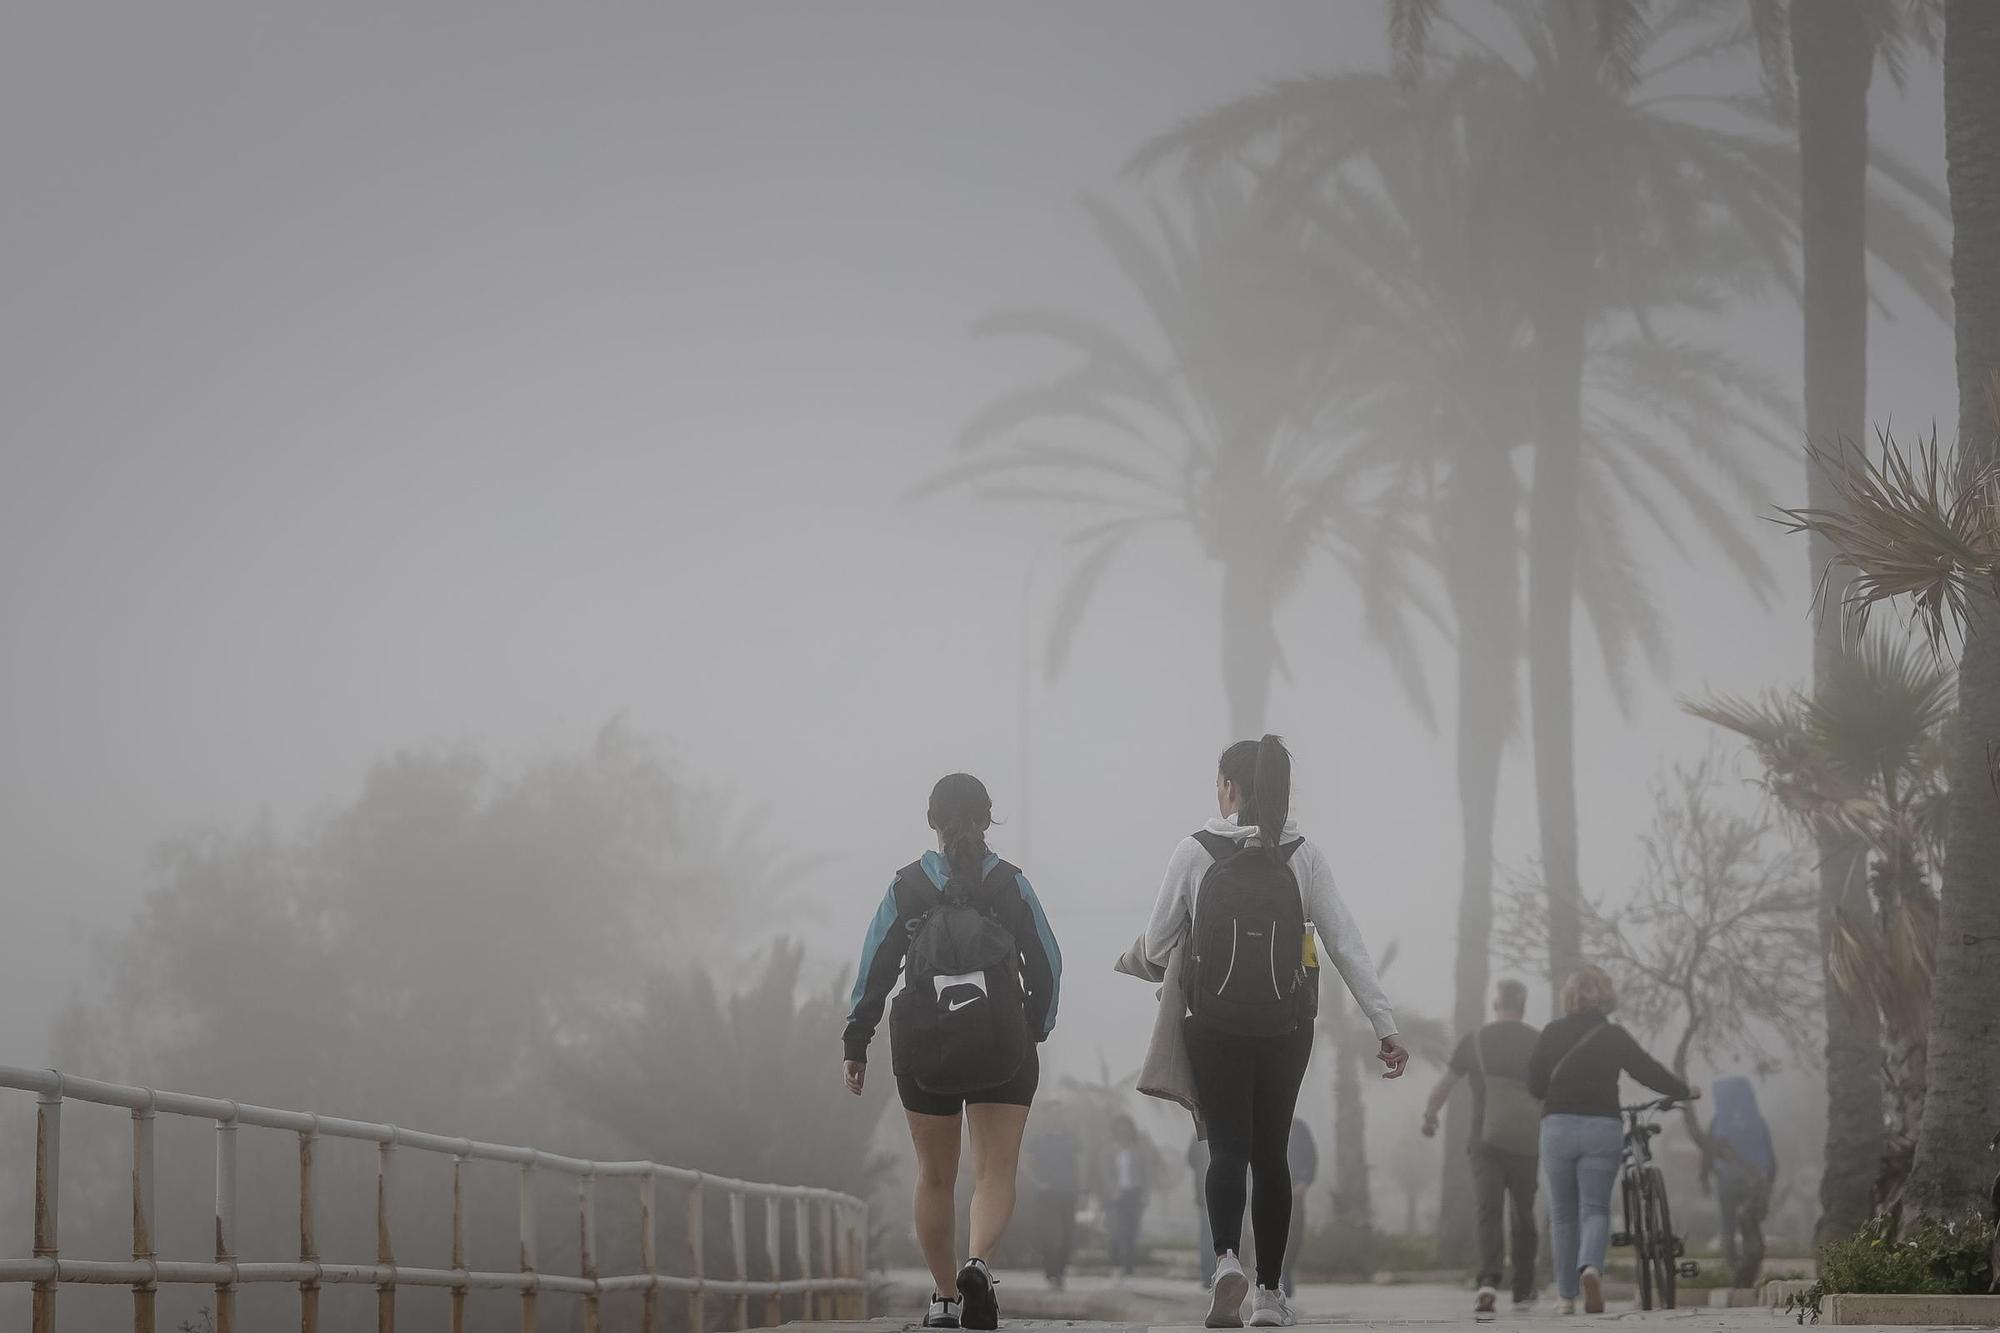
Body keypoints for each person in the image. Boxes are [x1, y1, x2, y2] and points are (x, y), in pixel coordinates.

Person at [1142, 735, 1408, 1330]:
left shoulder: (1194, 850)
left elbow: (1157, 943)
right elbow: (1343, 940)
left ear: (1231, 789)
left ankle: (1226, 1262)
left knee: (1227, 1147)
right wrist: (1383, 1025)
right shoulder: (1303, 855)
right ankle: (1267, 1295)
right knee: (1271, 1153)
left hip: (1212, 1025)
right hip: (1286, 1027)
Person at [843, 773, 1064, 1330]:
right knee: (994, 1171)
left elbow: (876, 966)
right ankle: (978, 1264)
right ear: (988, 820)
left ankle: (943, 1298)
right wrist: (1034, 1025)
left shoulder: (907, 886)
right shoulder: (1011, 885)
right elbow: (1048, 964)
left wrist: (857, 1040)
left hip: (924, 1048)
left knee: (934, 1176)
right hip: (1000, 1045)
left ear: (932, 822)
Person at [1527, 965, 1697, 1316]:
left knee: (1562, 1214)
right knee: (1595, 1209)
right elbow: (1646, 1070)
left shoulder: (1551, 1032)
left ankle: (1566, 1297)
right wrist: (1683, 1090)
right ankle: (1591, 1267)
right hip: (1600, 1127)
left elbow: (1534, 1085)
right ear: (1605, 997)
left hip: (1557, 1127)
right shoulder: (1613, 1035)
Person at [1420, 978, 1542, 1313]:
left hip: (1484, 1140)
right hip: (1526, 1141)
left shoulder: (1474, 1041)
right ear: (1523, 1005)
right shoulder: (1539, 1041)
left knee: (1488, 1210)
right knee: (1523, 1211)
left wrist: (1430, 1117)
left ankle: (1488, 1280)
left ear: (1495, 1005)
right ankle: (1523, 1288)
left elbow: (1443, 1087)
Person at [1702, 1077, 1775, 1287]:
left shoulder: (1719, 1121)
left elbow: (1708, 1151)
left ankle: (1733, 1268)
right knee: (1750, 1224)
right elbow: (1769, 1154)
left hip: (1726, 1181)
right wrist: (1769, 1181)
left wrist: (1705, 1177)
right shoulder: (1756, 1120)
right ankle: (1749, 1267)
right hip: (1754, 1182)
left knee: (1728, 1226)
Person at [1025, 1102, 1081, 1290]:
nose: (1056, 1117)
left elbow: (1079, 1163)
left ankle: (1060, 1272)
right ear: (1046, 1116)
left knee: (1067, 1234)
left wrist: (1080, 1185)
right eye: (1052, 1114)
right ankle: (1050, 1272)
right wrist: (1038, 1183)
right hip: (1046, 1194)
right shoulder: (1038, 1140)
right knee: (1049, 1235)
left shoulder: (1071, 1138)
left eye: (1060, 1113)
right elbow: (1026, 1164)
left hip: (1068, 1191)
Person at [1105, 1115, 1155, 1280]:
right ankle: (1118, 1264)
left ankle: (1129, 1268)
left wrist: (1146, 1194)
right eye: (1120, 1128)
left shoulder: (1139, 1150)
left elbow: (1147, 1174)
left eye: (1126, 1128)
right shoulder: (1111, 1150)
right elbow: (1105, 1173)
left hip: (1135, 1193)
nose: (1123, 1131)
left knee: (1132, 1231)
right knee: (1119, 1230)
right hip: (1118, 1195)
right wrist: (1112, 1190)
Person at [1279, 1118, 1317, 1299]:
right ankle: (1274, 1282)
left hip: (1295, 1192)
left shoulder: (1299, 1128)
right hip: (1269, 1191)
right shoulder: (1262, 1122)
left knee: (1294, 1236)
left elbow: (1311, 1157)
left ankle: (1285, 1275)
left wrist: (1304, 1181)